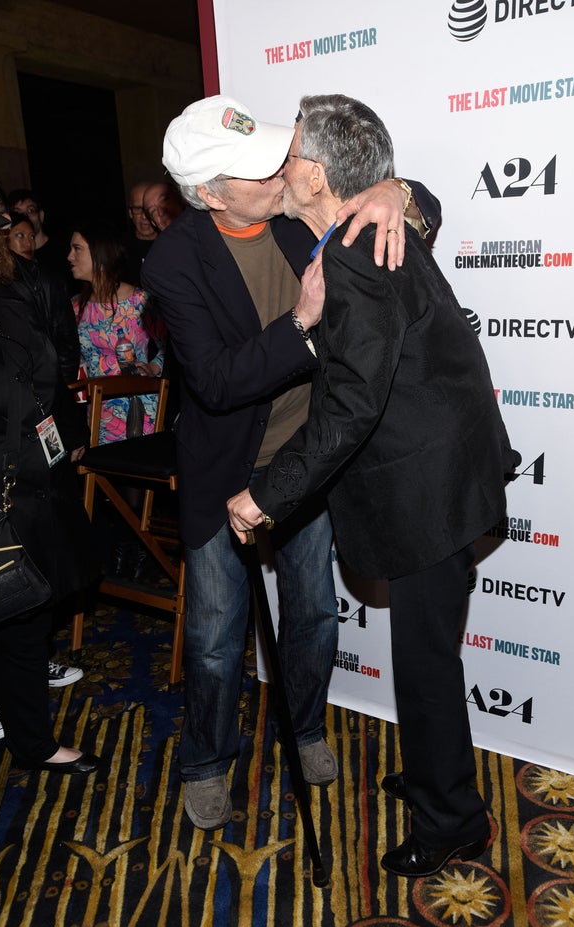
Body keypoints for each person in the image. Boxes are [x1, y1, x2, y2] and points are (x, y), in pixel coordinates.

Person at [227, 94, 519, 878]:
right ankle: (435, 773)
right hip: (452, 471)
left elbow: (351, 406)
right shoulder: (375, 223)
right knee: (429, 657)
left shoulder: (355, 246)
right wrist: (400, 189)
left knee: (424, 665)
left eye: (289, 155)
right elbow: (420, 205)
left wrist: (267, 496)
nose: (279, 167)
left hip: (431, 488)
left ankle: (452, 821)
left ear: (317, 174)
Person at [141, 94, 438, 831]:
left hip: (306, 465)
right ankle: (208, 760)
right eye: (251, 170)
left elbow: (421, 200)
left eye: (274, 152)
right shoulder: (173, 261)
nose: (277, 171)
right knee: (214, 638)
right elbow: (213, 382)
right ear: (208, 194)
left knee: (311, 617)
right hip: (226, 473)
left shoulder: (290, 211)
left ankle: (304, 729)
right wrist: (302, 323)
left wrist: (392, 192)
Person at [0, 205, 101, 866]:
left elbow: (46, 374)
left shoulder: (1, 299)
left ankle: (32, 741)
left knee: (27, 619)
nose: (5, 236)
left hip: (26, 490)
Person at [69, 221, 167, 444]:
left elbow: (171, 345)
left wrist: (153, 367)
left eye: (77, 249)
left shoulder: (140, 301)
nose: (69, 256)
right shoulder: (74, 307)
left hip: (139, 408)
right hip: (97, 413)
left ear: (99, 253)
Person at [124, 182, 158, 286]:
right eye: (138, 209)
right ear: (130, 213)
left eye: (149, 209)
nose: (144, 216)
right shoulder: (120, 248)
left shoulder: (173, 244)